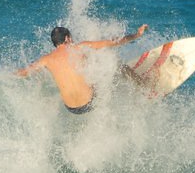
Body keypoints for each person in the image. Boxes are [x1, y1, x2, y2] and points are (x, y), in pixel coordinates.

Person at [16, 24, 149, 113]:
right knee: (116, 64)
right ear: (67, 38)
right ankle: (145, 85)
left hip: (71, 108)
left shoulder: (46, 59)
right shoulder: (78, 48)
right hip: (89, 102)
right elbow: (113, 42)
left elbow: (24, 72)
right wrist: (137, 34)